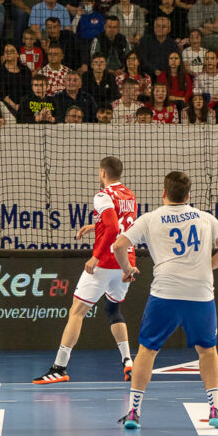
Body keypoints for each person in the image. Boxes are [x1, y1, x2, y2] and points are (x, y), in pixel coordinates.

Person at [112, 171, 218, 429]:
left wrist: (127, 269)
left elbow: (118, 245)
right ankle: (215, 410)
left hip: (165, 294)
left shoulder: (151, 218)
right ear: (188, 196)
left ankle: (134, 412)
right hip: (200, 294)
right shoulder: (205, 218)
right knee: (207, 351)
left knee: (147, 350)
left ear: (164, 193)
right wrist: (207, 266)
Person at [34, 157, 138, 385]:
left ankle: (59, 368)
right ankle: (128, 362)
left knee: (77, 312)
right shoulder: (129, 195)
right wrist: (95, 226)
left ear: (103, 172)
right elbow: (124, 225)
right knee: (113, 309)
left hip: (105, 263)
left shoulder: (103, 196)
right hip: (126, 263)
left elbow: (113, 228)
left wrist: (96, 256)